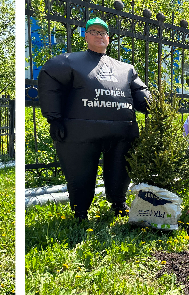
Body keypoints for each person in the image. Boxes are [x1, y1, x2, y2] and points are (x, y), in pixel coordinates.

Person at [37, 17, 150, 221]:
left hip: (121, 132)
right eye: (94, 32)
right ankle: (80, 211)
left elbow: (140, 93)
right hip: (81, 132)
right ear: (86, 36)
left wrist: (156, 109)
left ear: (108, 38)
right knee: (80, 171)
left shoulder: (125, 69)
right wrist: (54, 118)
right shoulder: (69, 62)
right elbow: (50, 80)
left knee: (121, 169)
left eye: (103, 33)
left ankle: (118, 202)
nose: (99, 36)